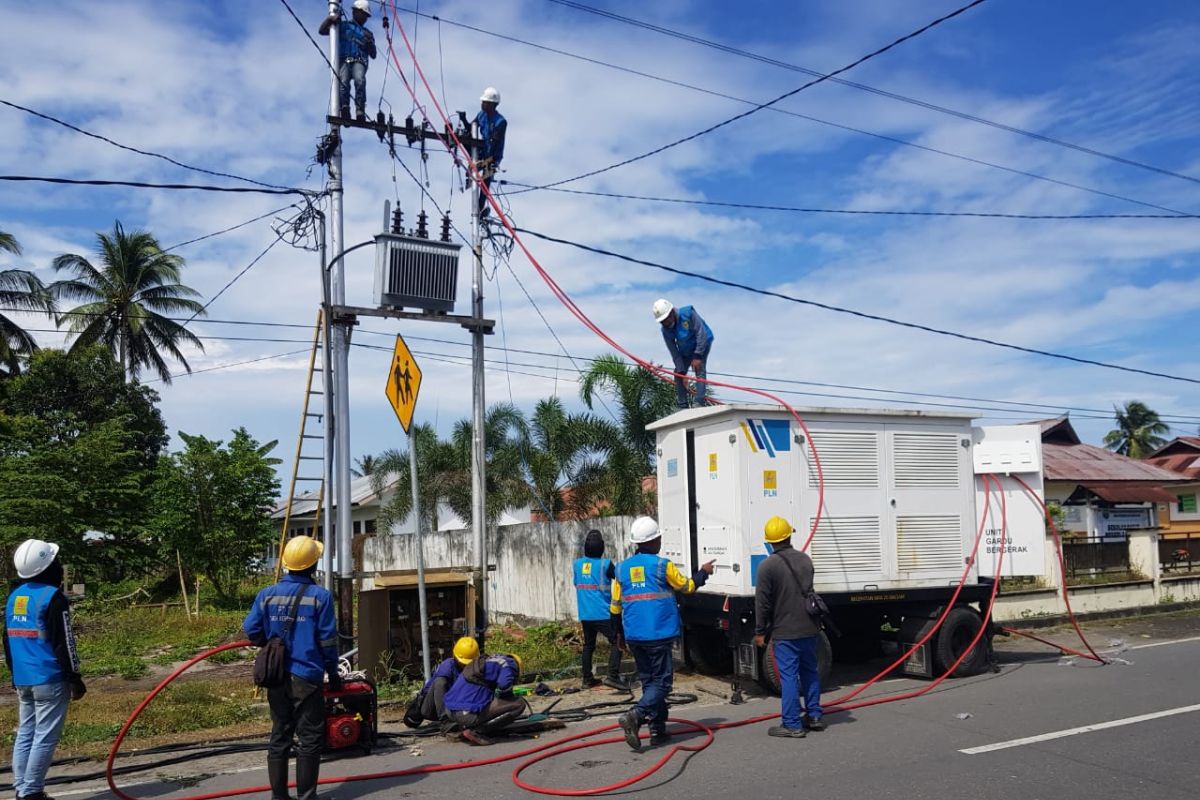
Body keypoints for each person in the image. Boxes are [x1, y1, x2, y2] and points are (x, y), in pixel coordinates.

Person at [244, 536, 340, 800]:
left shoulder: (267, 594)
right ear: (313, 565)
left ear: (286, 564)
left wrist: (271, 642)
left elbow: (251, 630)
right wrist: (333, 673)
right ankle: (307, 796)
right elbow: (328, 640)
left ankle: (279, 797)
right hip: (307, 676)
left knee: (280, 735)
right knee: (309, 739)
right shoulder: (320, 597)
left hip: (276, 675)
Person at [612, 516, 714, 751]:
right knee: (663, 683)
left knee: (650, 682)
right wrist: (703, 572)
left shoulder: (621, 569)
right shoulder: (662, 565)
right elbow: (687, 586)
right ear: (654, 540)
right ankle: (635, 715)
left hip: (634, 635)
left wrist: (617, 635)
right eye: (659, 538)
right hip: (658, 633)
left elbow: (615, 607)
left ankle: (657, 730)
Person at [4, 539, 86, 800]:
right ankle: (31, 793)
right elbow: (64, 641)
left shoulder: (15, 597)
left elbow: (7, 640)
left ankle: (22, 786)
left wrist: (14, 675)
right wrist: (74, 677)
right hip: (49, 678)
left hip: (24, 678)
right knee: (45, 737)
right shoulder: (53, 598)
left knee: (26, 731)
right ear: (49, 567)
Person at [753, 516, 826, 739]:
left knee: (788, 677)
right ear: (789, 535)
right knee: (810, 672)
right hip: (810, 627)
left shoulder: (767, 566)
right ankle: (814, 716)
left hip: (785, 631)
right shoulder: (805, 560)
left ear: (770, 541)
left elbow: (762, 603)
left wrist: (760, 631)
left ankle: (792, 723)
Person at [573, 530, 625, 690]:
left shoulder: (577, 564)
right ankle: (612, 676)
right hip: (603, 613)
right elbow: (620, 578)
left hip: (585, 614)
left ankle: (587, 679)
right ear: (602, 547)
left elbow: (577, 583)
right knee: (618, 641)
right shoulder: (605, 564)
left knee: (589, 645)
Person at [443, 652, 524, 745]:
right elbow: (504, 685)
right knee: (519, 704)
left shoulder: (486, 660)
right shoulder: (509, 665)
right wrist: (509, 695)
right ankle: (477, 731)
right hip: (465, 713)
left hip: (449, 710)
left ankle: (466, 727)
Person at [319, 0, 377, 122]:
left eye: (366, 16)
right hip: (344, 59)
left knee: (359, 80)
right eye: (364, 14)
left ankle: (360, 109)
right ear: (356, 12)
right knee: (343, 82)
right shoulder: (342, 25)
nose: (366, 18)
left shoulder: (367, 33)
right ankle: (344, 108)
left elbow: (373, 54)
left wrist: (370, 42)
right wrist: (330, 19)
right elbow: (322, 31)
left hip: (359, 60)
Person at [652, 299, 714, 409]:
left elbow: (701, 333)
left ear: (671, 313)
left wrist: (698, 355)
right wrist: (681, 370)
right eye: (663, 322)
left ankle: (699, 402)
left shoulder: (688, 314)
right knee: (678, 374)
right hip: (686, 349)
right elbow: (674, 351)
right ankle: (682, 405)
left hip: (702, 343)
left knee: (699, 369)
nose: (666, 323)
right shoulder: (665, 330)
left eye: (666, 319)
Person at [411, 636, 477, 726]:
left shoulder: (475, 668)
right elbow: (429, 689)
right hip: (431, 707)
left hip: (454, 707)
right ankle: (445, 720)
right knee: (440, 682)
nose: (465, 665)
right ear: (456, 657)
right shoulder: (447, 667)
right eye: (463, 663)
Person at [473, 87, 507, 217]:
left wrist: (481, 164)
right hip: (482, 150)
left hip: (493, 157)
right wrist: (464, 121)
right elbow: (472, 128)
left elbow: (494, 146)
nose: (482, 104)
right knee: (467, 143)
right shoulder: (481, 115)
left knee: (485, 178)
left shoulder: (500, 122)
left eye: (485, 102)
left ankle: (480, 209)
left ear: (492, 105)